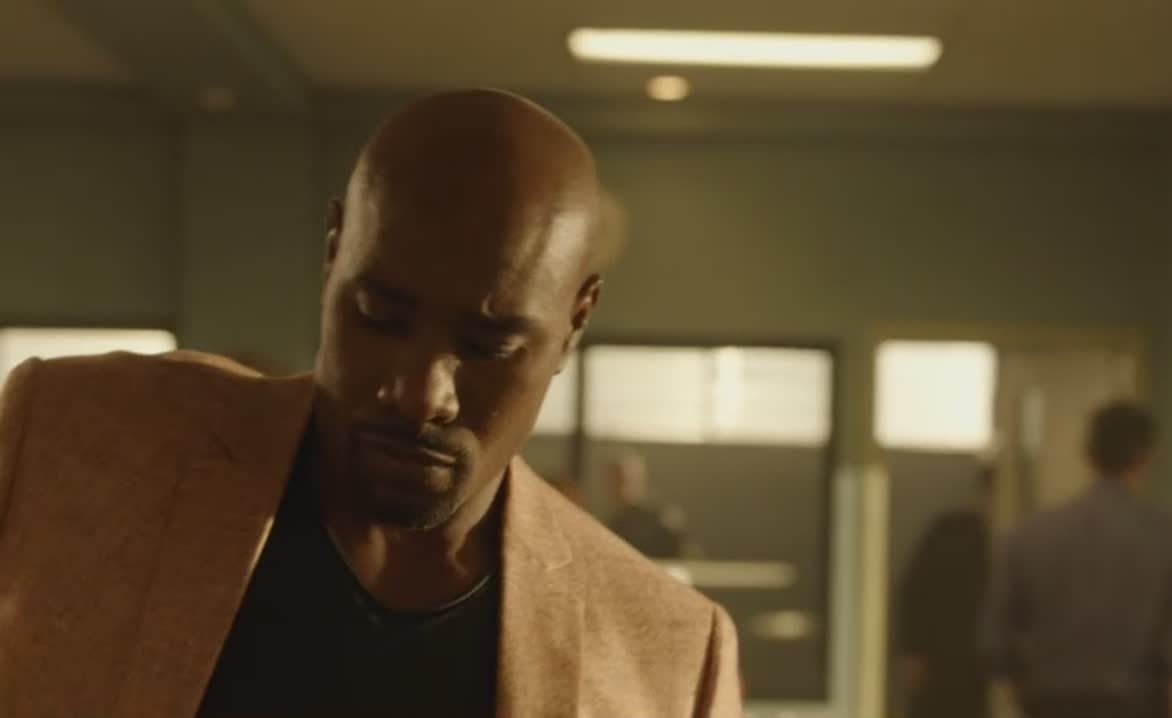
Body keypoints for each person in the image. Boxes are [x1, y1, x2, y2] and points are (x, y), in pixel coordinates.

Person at [0, 90, 741, 718]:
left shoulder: (670, 658)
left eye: (488, 346)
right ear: (333, 251)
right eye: (381, 319)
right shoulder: (72, 441)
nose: (420, 395)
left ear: (576, 319)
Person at [981, 401, 1172, 718]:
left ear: (1087, 453)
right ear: (1145, 457)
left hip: (1049, 705)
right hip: (1137, 707)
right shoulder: (1171, 541)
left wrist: (1031, 691)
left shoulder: (1029, 537)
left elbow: (995, 643)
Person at [897, 464, 993, 718]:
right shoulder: (954, 532)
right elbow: (916, 592)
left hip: (977, 668)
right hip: (946, 664)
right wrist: (914, 651)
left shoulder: (1021, 540)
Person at [605, 452, 695, 559]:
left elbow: (684, 555)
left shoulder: (662, 518)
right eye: (613, 481)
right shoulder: (613, 523)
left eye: (623, 479)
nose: (618, 488)